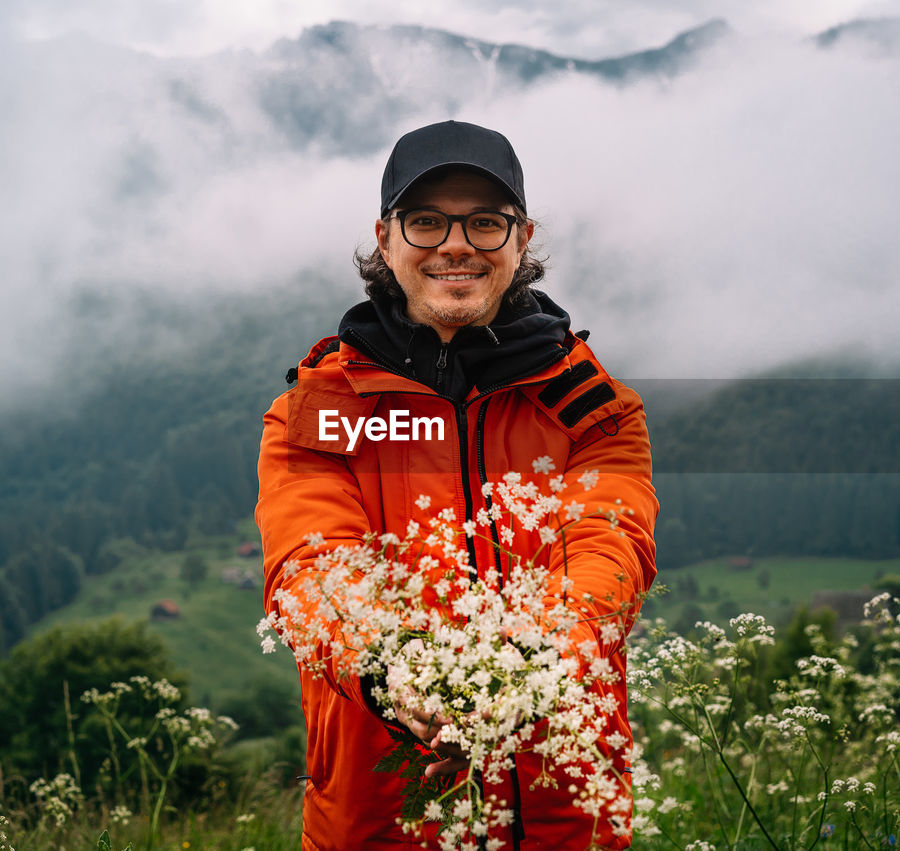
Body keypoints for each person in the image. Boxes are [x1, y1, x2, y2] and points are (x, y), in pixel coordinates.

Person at [256, 120, 658, 850]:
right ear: (385, 238)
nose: (456, 244)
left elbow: (607, 549)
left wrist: (537, 676)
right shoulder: (316, 415)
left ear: (521, 238)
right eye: (427, 221)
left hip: (564, 810)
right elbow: (309, 568)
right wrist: (390, 673)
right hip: (383, 813)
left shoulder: (596, 411)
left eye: (485, 223)